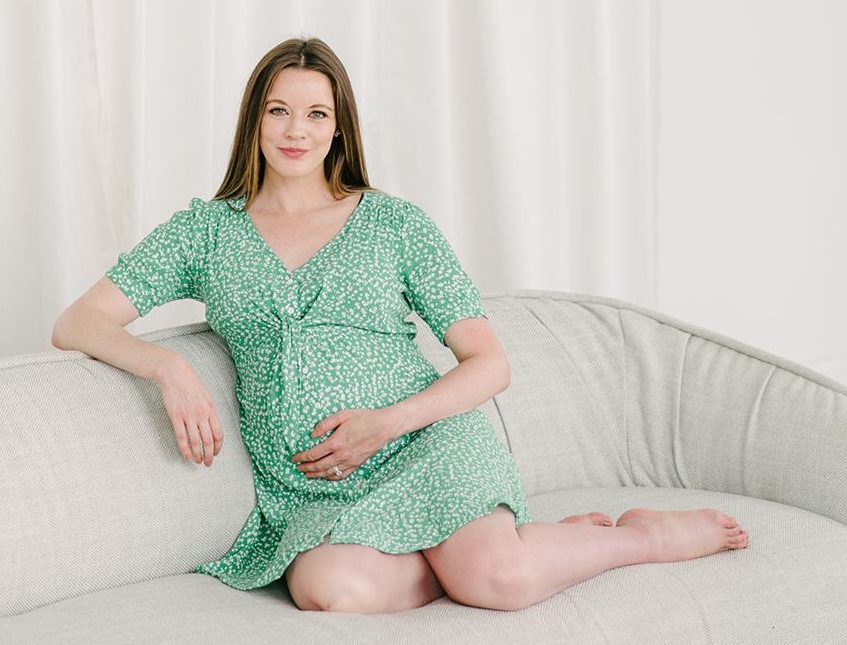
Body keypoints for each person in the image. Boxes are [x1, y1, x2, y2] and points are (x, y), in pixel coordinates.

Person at [51, 36, 749, 614]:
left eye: (316, 114)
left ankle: (640, 539)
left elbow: (489, 362)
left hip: (423, 442)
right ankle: (515, 545)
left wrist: (386, 422)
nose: (296, 131)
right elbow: (79, 320)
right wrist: (167, 368)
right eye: (278, 111)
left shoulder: (394, 224)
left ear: (338, 126)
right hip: (312, 484)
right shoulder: (202, 233)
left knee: (496, 584)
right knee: (332, 590)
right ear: (253, 121)